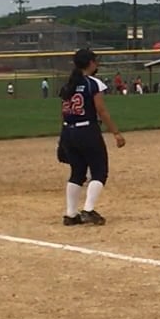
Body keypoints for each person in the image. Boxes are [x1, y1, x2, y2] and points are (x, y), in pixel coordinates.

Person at [57, 48, 125, 226]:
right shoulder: (92, 83)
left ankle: (71, 214)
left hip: (68, 131)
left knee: (77, 173)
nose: (97, 63)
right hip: (87, 130)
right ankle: (88, 210)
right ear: (90, 63)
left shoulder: (68, 84)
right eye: (95, 61)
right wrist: (116, 133)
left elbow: (63, 112)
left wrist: (62, 138)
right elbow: (101, 110)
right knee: (99, 171)